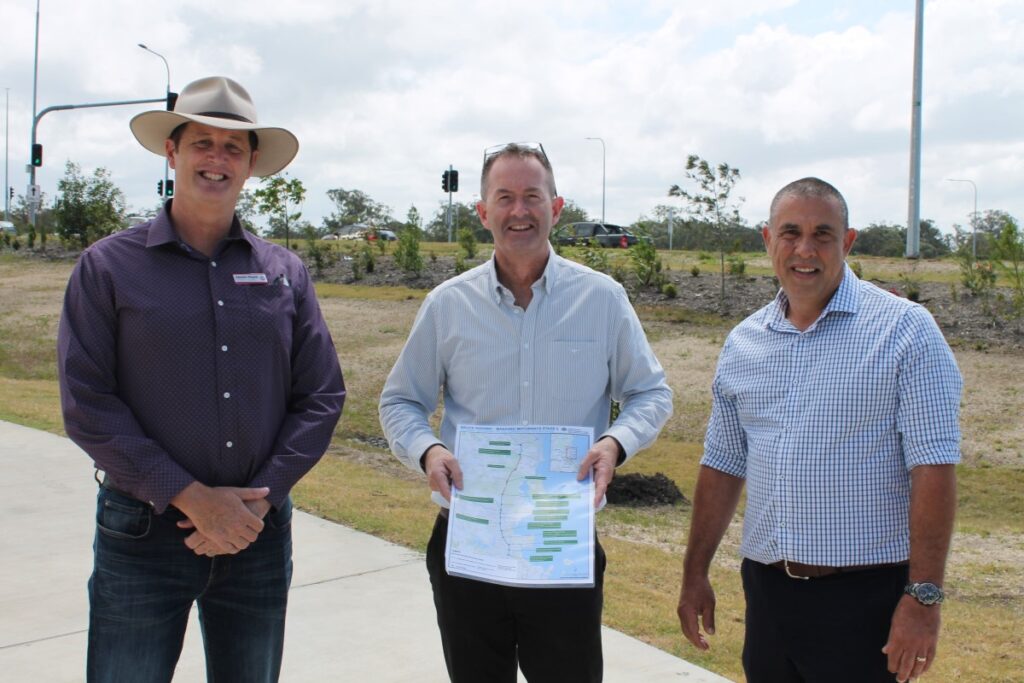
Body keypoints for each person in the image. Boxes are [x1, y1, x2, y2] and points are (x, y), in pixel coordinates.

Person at [57, 76, 345, 682]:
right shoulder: (108, 267)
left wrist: (256, 502)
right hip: (142, 532)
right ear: (173, 152)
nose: (217, 159)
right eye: (202, 143)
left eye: (232, 147)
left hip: (257, 534)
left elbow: (320, 396)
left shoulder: (283, 270)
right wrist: (192, 496)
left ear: (251, 164)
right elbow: (87, 402)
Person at [379, 142, 673, 682]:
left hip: (561, 548)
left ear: (556, 208)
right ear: (483, 211)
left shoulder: (602, 299)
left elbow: (651, 393)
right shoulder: (448, 305)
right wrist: (429, 450)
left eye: (532, 196)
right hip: (468, 546)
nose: (519, 211)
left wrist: (614, 443)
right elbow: (400, 401)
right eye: (505, 197)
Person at [676, 177, 961, 683]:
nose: (804, 250)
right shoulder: (744, 343)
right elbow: (722, 465)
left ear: (848, 242)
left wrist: (924, 597)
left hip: (864, 600)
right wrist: (694, 572)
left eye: (823, 234)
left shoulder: (904, 331)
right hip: (768, 595)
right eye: (790, 232)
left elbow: (933, 468)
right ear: (767, 240)